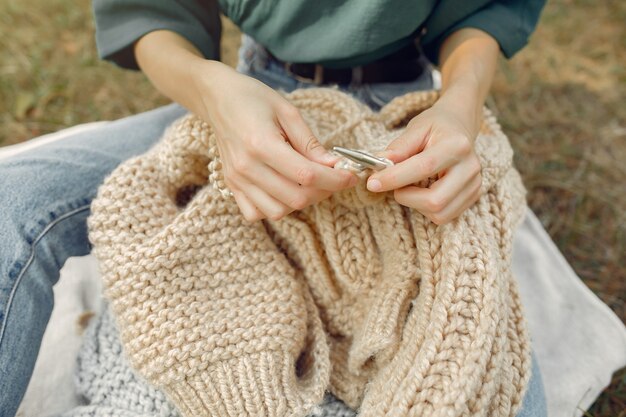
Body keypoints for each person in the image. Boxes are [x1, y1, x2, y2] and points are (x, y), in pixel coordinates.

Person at [0, 1, 548, 415]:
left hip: (403, 111)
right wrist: (215, 96)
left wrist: (460, 108)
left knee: (494, 381)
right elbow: (152, 15)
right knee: (16, 199)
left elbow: (485, 11)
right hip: (243, 95)